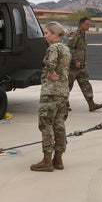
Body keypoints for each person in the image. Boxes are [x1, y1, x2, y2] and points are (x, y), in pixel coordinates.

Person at [30, 21, 71, 172]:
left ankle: (47, 160)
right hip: (63, 92)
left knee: (46, 124)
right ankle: (58, 160)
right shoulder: (65, 49)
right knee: (59, 124)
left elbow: (50, 63)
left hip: (51, 92)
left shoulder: (53, 48)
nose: (44, 36)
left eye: (46, 33)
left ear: (55, 34)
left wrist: (50, 72)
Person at [66, 17, 102, 112]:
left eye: (89, 24)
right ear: (81, 24)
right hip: (73, 67)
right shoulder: (75, 35)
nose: (88, 26)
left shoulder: (83, 35)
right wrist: (75, 61)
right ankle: (64, 104)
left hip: (82, 66)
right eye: (87, 24)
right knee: (68, 86)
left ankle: (91, 104)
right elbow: (69, 49)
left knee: (86, 84)